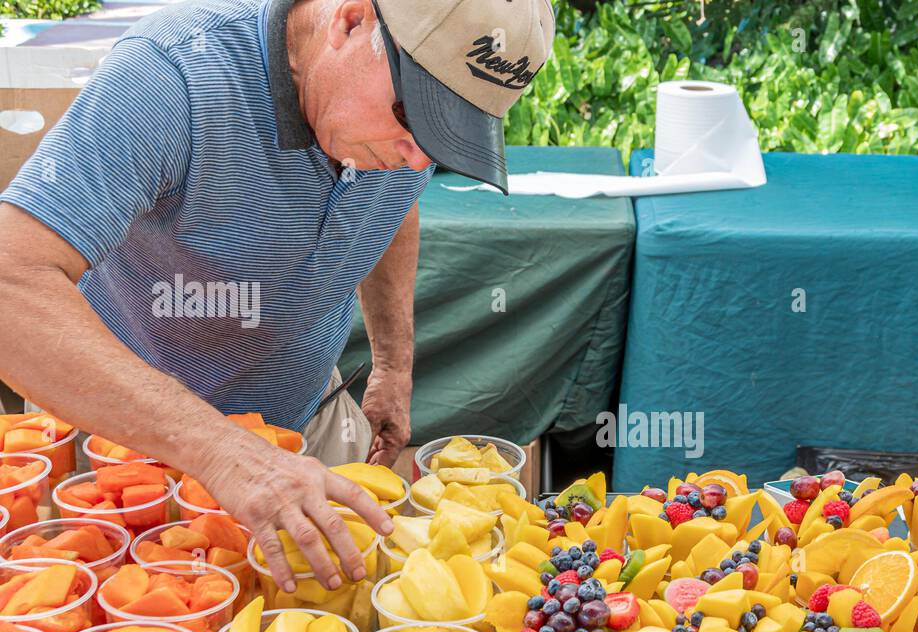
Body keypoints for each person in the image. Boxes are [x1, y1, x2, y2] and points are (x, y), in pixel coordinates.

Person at [0, 0, 554, 591]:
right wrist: (223, 452)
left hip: (305, 423)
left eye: (448, 142)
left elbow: (395, 206)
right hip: (132, 455)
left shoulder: (386, 127)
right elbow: (11, 285)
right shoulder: (173, 73)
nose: (418, 157)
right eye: (413, 115)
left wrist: (394, 365)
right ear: (350, 21)